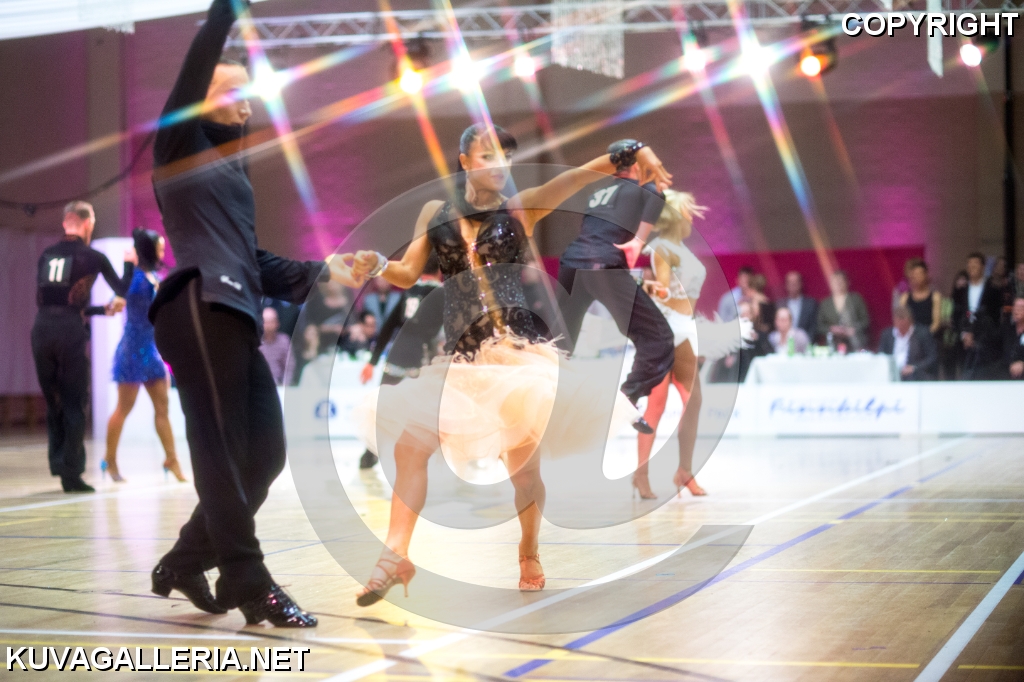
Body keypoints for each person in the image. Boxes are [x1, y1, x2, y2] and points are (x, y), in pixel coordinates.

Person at [348, 123, 672, 603]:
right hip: (460, 362)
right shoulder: (435, 214)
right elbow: (407, 273)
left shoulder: (521, 209)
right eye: (487, 155)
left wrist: (631, 152)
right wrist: (376, 264)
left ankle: (528, 550)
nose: (498, 164)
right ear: (464, 161)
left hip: (516, 360)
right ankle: (395, 555)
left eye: (505, 156)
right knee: (410, 448)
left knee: (524, 475)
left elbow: (577, 177)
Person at [147, 0, 360, 627]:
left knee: (264, 455)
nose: (246, 104)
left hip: (235, 312)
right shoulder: (177, 146)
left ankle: (183, 562)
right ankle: (249, 581)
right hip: (196, 307)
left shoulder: (232, 173)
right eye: (233, 91)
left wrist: (328, 272)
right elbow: (196, 68)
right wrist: (225, 12)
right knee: (219, 450)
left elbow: (253, 260)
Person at [556, 139, 676, 431]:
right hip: (603, 267)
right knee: (658, 338)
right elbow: (657, 194)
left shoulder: (596, 194)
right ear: (636, 164)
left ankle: (538, 404)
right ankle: (627, 397)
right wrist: (638, 240)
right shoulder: (641, 188)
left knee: (557, 343)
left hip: (571, 265)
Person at [32, 201, 132, 493]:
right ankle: (71, 472)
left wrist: (100, 310)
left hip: (41, 330)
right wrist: (129, 264)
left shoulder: (46, 254)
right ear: (88, 223)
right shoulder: (92, 256)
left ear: (66, 222)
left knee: (54, 401)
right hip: (69, 333)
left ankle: (59, 464)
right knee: (75, 401)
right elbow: (122, 289)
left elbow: (54, 302)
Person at [633, 191, 709, 500]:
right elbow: (662, 289)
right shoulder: (662, 248)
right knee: (658, 403)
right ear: (676, 217)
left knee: (691, 402)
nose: (692, 217)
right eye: (688, 212)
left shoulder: (681, 250)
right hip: (667, 329)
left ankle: (683, 470)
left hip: (684, 327)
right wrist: (645, 286)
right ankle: (643, 473)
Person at [104, 228, 186, 484]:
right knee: (124, 408)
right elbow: (120, 299)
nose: (163, 251)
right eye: (159, 247)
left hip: (152, 348)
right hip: (133, 348)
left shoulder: (154, 276)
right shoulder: (135, 278)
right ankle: (110, 459)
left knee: (163, 407)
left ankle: (171, 460)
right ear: (150, 250)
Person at [357, 254, 444, 470]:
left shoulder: (409, 292)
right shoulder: (442, 293)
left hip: (397, 353)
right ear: (440, 271)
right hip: (421, 354)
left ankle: (369, 454)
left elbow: (388, 326)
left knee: (384, 405)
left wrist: (372, 362)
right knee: (424, 408)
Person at [952, 252, 1004, 380]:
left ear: (983, 267)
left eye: (975, 264)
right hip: (964, 343)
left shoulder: (994, 291)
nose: (972, 267)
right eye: (969, 264)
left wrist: (978, 334)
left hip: (985, 344)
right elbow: (957, 315)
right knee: (964, 376)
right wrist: (964, 334)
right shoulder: (960, 291)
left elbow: (994, 317)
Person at [878, 305, 938, 381]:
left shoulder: (922, 334)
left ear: (910, 321)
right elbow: (881, 355)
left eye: (902, 319)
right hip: (891, 373)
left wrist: (913, 368)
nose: (900, 323)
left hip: (915, 375)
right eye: (898, 320)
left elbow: (932, 357)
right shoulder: (887, 335)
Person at [816, 270, 870, 351]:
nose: (838, 284)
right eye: (835, 282)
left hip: (855, 342)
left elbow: (865, 321)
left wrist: (853, 329)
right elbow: (820, 326)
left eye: (840, 281)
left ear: (847, 282)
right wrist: (832, 329)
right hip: (833, 343)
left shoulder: (856, 299)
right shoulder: (825, 303)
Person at [259, 307, 293, 386]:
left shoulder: (284, 341)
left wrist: (284, 385)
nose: (268, 326)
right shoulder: (256, 341)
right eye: (266, 322)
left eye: (271, 322)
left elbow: (289, 367)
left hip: (278, 385)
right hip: (258, 384)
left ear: (277, 323)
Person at [777, 270, 818, 337]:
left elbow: (814, 327)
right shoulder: (779, 304)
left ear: (801, 284)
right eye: (790, 282)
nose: (793, 285)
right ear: (786, 285)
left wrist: (806, 341)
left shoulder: (810, 304)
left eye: (795, 282)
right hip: (783, 341)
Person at [1003, 297, 1024, 379]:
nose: (1016, 311)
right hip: (1005, 375)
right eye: (1015, 307)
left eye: (1020, 308)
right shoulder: (1007, 329)